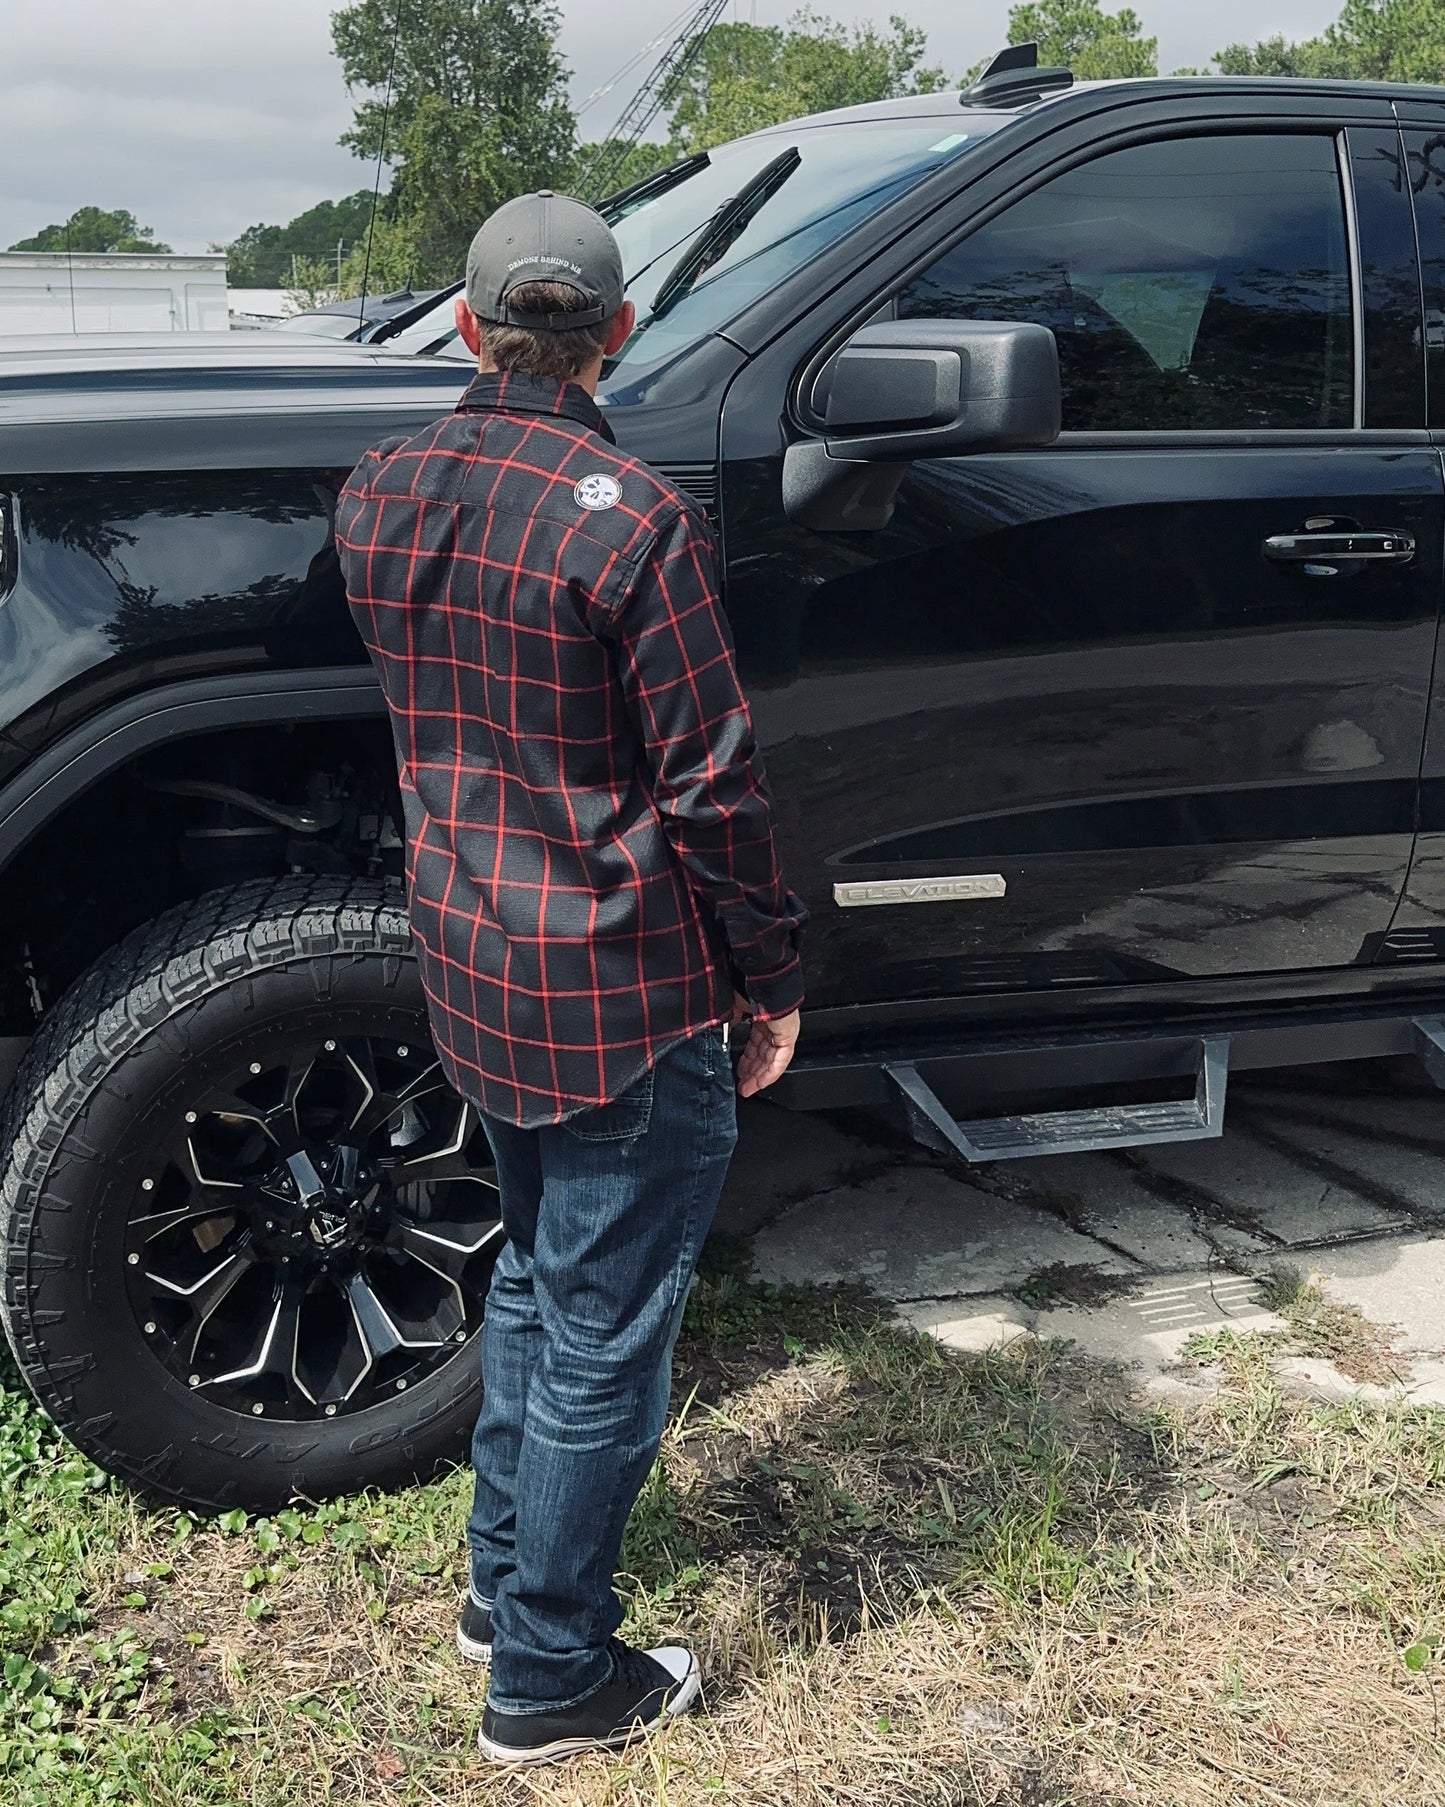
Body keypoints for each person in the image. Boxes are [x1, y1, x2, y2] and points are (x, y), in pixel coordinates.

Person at [335, 190, 806, 1767]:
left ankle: (497, 1590)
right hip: (622, 991)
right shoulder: (631, 516)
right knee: (604, 1328)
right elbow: (713, 789)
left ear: (467, 329)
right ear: (617, 332)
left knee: (537, 1278)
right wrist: (771, 978)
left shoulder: (382, 487)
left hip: (473, 966)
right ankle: (548, 1679)